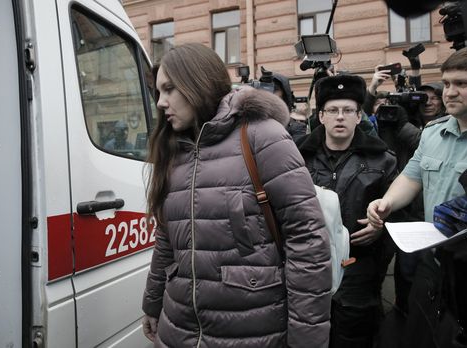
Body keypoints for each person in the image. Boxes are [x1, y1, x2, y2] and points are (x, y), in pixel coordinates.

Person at [141, 43, 332, 347]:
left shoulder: (261, 136)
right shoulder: (174, 150)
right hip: (178, 329)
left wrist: (307, 339)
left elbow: (307, 241)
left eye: (169, 89)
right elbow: (166, 239)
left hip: (253, 330)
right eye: (158, 93)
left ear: (198, 82)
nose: (161, 103)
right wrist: (152, 304)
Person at [367, 46, 467, 348]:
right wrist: (387, 202)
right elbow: (411, 176)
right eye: (447, 83)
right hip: (433, 262)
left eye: (462, 84)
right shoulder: (432, 132)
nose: (449, 92)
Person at [298, 74, 398, 348]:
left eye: (347, 110)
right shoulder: (297, 158)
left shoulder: (384, 160)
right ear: (321, 116)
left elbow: (401, 215)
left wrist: (380, 230)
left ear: (358, 116)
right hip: (309, 267)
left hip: (360, 270)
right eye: (332, 110)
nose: (339, 117)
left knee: (354, 337)